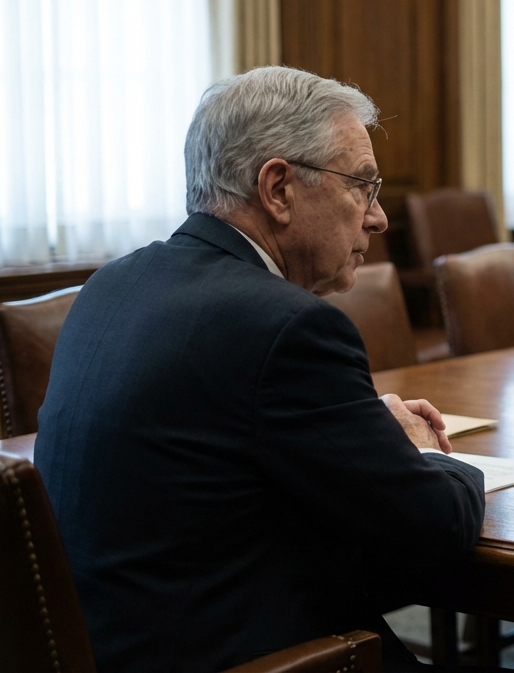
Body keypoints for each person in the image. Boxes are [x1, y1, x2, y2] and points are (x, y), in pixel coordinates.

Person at [35, 67, 485, 672]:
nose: (377, 218)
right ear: (278, 189)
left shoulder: (108, 287)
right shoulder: (287, 328)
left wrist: (356, 435)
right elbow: (435, 534)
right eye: (363, 187)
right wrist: (424, 453)